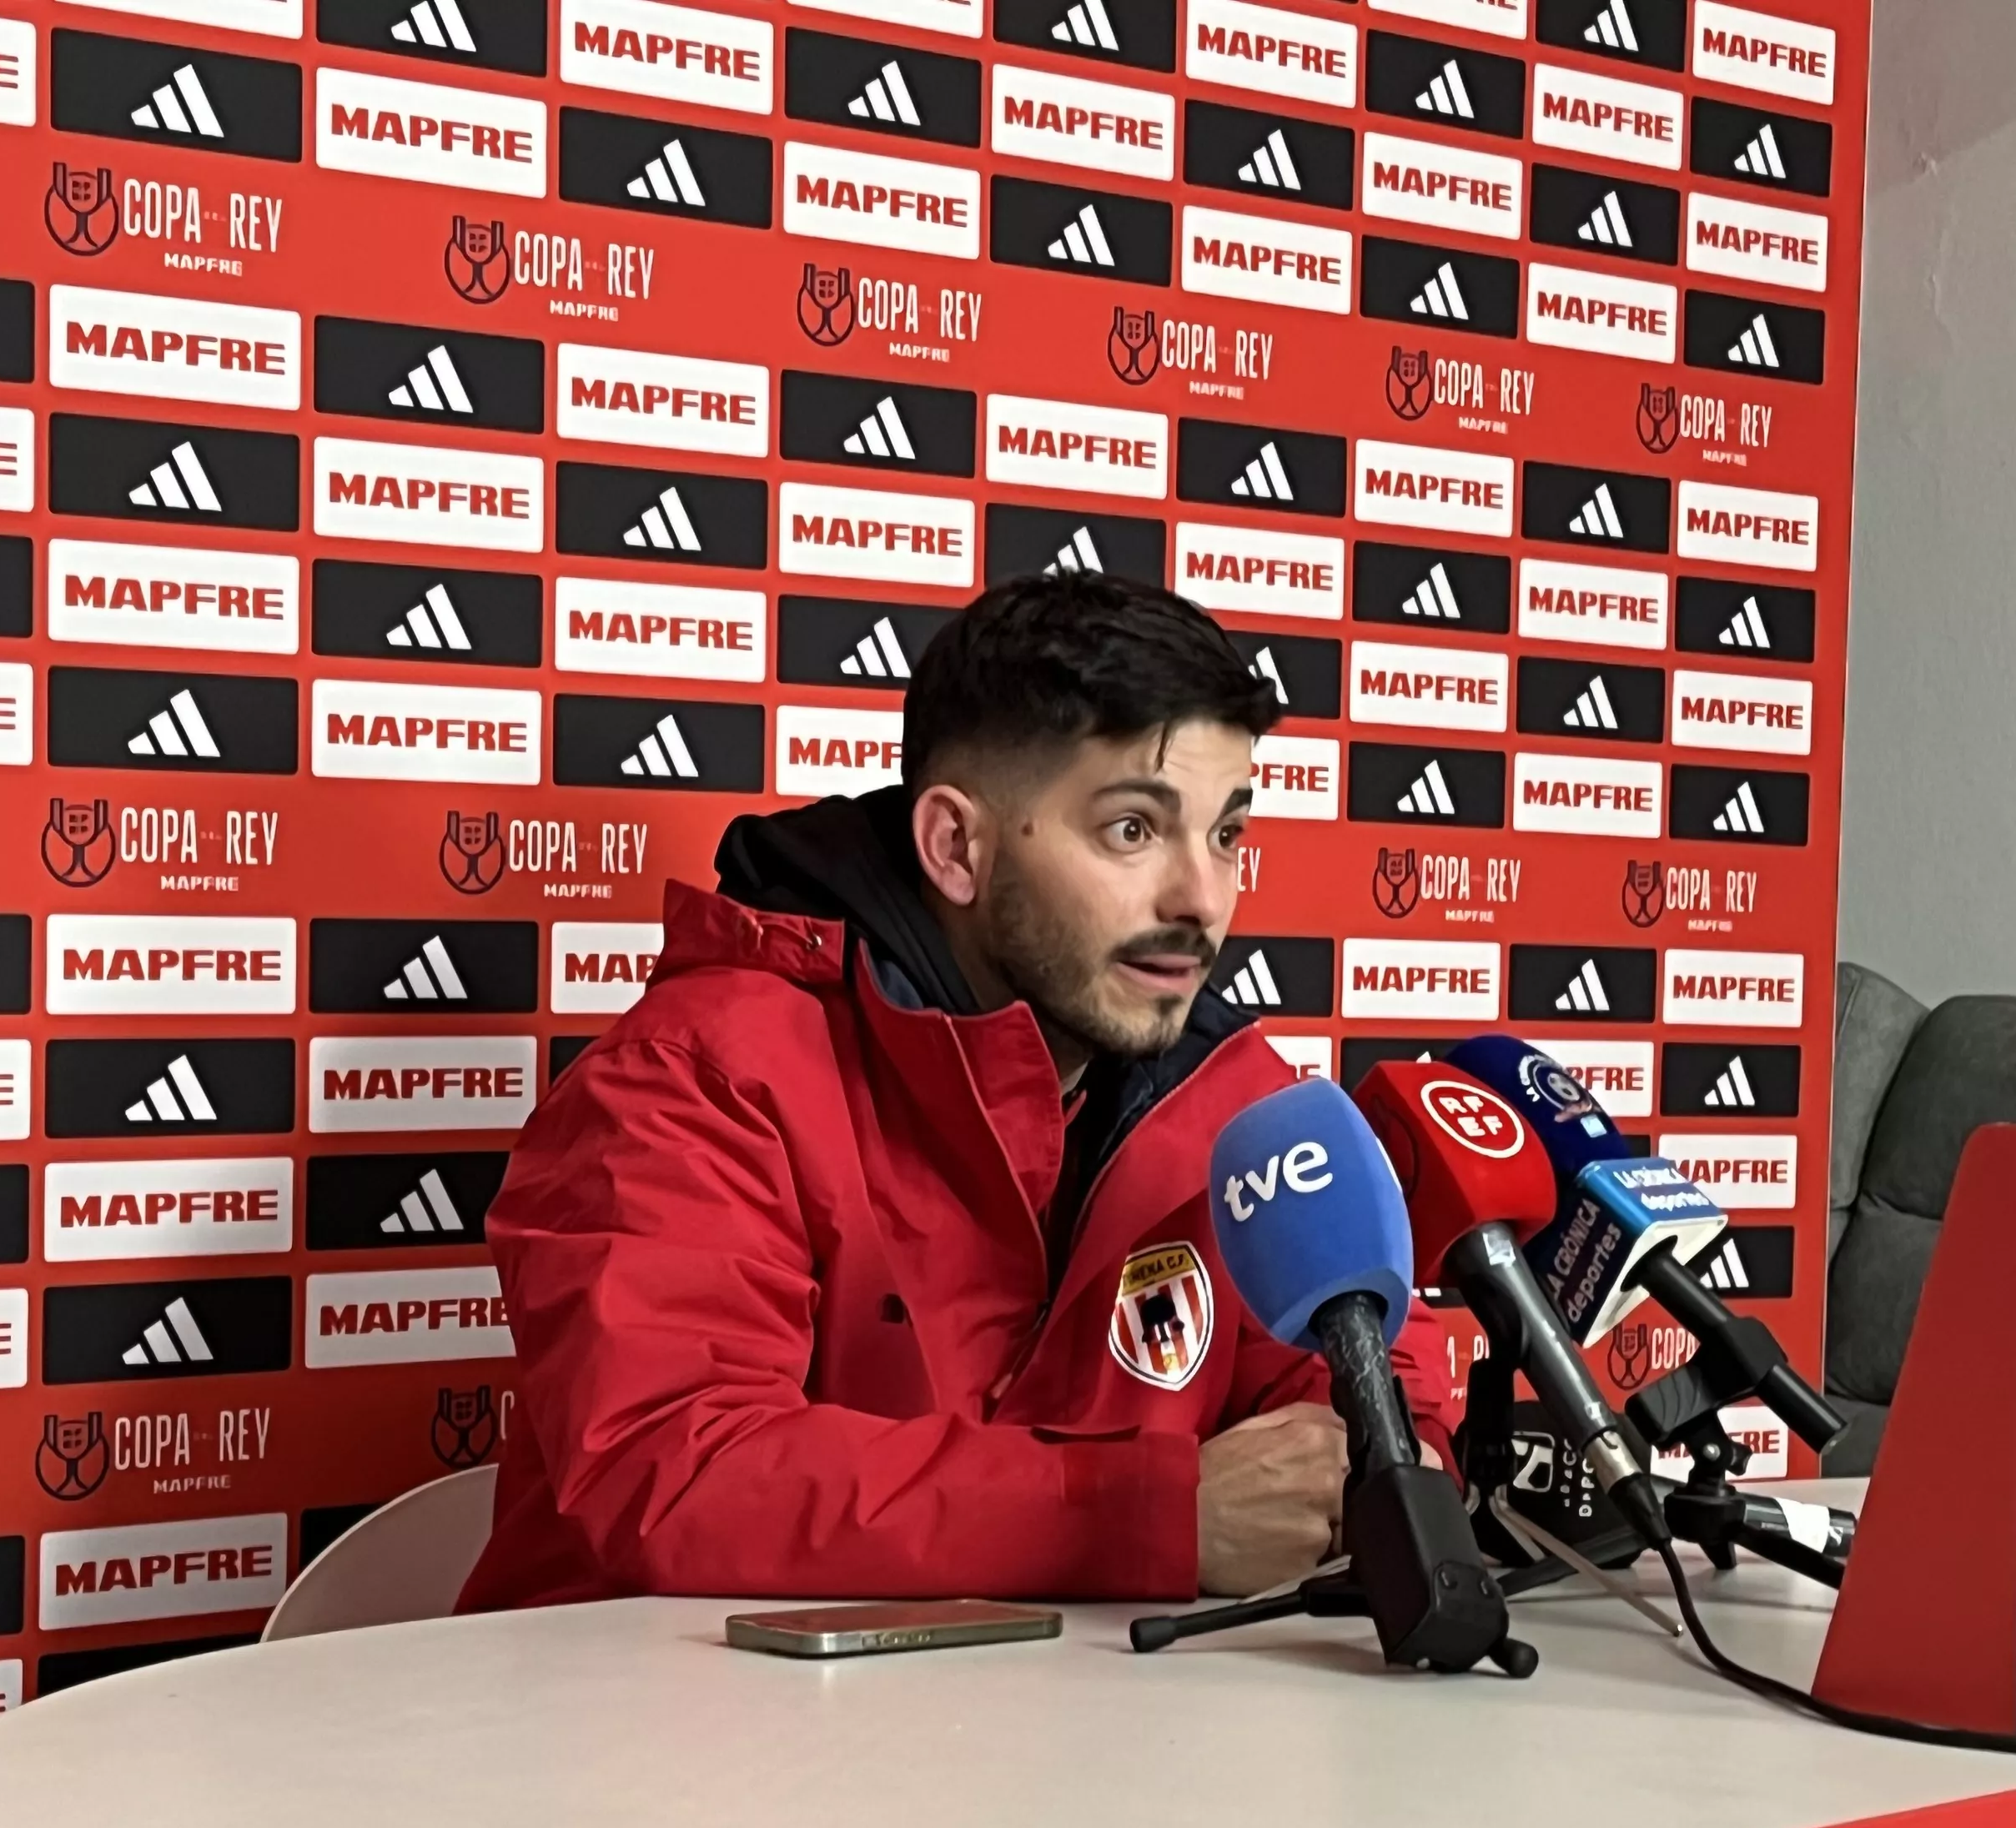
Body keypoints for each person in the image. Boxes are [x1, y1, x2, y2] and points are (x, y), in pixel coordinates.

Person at [456, 574, 1459, 1611]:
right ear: (956, 848)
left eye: (1225, 835)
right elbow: (675, 1470)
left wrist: (1388, 1460)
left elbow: (1375, 1382)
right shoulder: (695, 1079)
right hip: (643, 1749)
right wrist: (1148, 1515)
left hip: (1060, 1750)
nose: (1201, 899)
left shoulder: (1241, 1112)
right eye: (1131, 830)